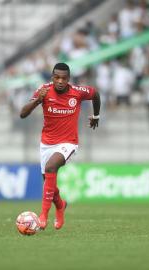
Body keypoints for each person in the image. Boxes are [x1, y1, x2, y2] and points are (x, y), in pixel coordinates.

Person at [20, 62, 100, 230]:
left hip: (68, 142)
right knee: (49, 183)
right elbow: (22, 114)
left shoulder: (77, 92)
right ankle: (61, 206)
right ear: (52, 77)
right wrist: (38, 101)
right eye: (57, 77)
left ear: (68, 79)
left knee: (50, 168)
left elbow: (95, 94)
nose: (60, 81)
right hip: (46, 143)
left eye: (64, 78)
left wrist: (96, 115)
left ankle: (43, 216)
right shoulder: (43, 90)